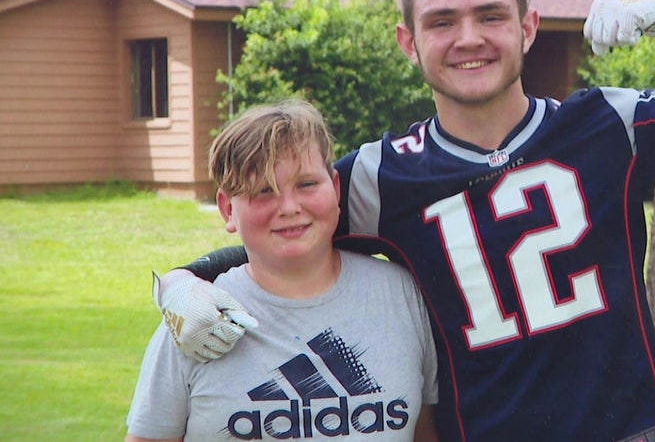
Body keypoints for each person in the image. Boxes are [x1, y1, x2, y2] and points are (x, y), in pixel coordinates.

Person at [149, 0, 655, 442]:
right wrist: (178, 281)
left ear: (528, 29)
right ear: (408, 43)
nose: (467, 38)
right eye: (441, 21)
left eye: (491, 16)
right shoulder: (383, 176)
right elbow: (279, 224)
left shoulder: (604, 125)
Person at [125, 100, 439, 441]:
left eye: (306, 184)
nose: (289, 207)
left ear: (335, 188)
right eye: (263, 191)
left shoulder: (401, 295)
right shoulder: (194, 321)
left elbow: (425, 430)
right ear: (227, 209)